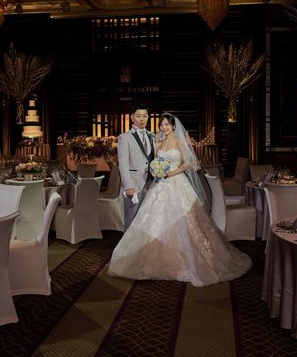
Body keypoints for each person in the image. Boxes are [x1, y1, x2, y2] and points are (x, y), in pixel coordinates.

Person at [108, 113, 252, 287]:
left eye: (167, 125)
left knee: (186, 222)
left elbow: (188, 163)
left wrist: (171, 173)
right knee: (153, 220)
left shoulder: (179, 142)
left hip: (176, 182)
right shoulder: (158, 142)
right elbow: (152, 161)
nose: (164, 128)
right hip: (159, 185)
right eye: (162, 125)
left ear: (174, 126)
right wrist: (156, 170)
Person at [117, 104, 156, 231]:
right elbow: (123, 164)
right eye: (138, 116)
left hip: (150, 184)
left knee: (147, 219)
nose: (142, 119)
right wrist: (128, 186)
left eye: (145, 116)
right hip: (134, 184)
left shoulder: (152, 136)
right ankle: (127, 244)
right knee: (131, 218)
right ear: (132, 117)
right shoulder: (125, 137)